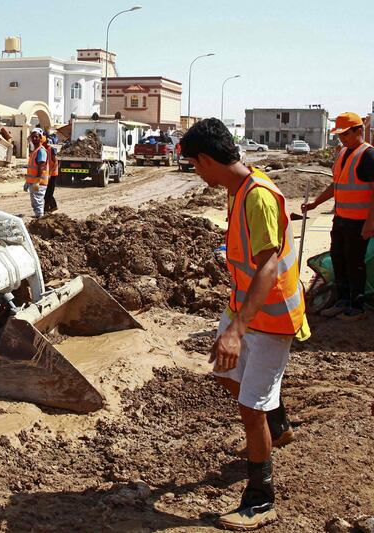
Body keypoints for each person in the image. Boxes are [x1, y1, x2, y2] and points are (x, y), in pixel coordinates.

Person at [180, 118, 309, 531]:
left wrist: (236, 330)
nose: (196, 173)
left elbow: (268, 267)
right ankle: (278, 424)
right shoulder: (237, 191)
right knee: (223, 373)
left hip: (270, 320)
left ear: (206, 158)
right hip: (244, 310)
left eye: (195, 165)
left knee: (249, 407)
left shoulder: (257, 197)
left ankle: (260, 498)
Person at [303, 112, 374, 320]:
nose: (342, 138)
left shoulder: (368, 156)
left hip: (359, 222)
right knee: (338, 258)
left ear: (358, 131)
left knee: (355, 262)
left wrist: (370, 222)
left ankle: (357, 305)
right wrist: (316, 202)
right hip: (341, 218)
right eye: (340, 134)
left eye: (346, 134)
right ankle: (343, 300)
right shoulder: (343, 153)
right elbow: (337, 184)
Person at [24, 128, 49, 218]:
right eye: (33, 137)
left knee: (37, 201)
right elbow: (31, 169)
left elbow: (41, 167)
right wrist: (28, 181)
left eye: (36, 137)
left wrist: (37, 181)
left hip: (39, 182)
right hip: (33, 181)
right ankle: (39, 217)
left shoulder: (41, 151)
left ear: (40, 138)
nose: (34, 139)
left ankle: (40, 218)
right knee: (35, 201)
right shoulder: (35, 151)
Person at [43, 135, 59, 214]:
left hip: (52, 174)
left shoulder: (51, 149)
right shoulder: (42, 150)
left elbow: (56, 162)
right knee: (47, 192)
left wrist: (50, 173)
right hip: (46, 174)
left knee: (49, 192)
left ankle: (46, 209)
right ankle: (53, 206)